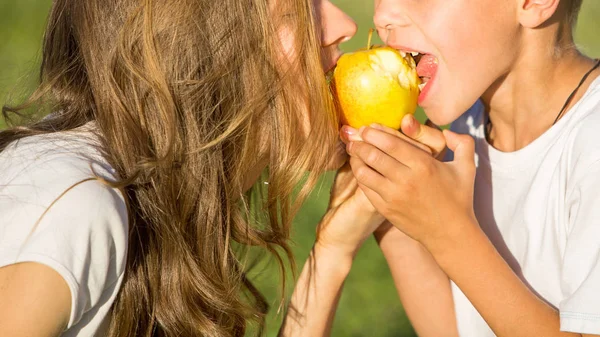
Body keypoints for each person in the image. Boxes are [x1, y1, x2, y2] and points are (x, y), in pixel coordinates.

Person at [0, 0, 386, 336]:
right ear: (204, 50)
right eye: (291, 14)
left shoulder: (170, 190)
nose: (345, 25)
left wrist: (334, 250)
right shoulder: (76, 206)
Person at [342, 0, 600, 336]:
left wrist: (449, 234)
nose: (382, 15)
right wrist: (390, 206)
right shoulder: (459, 131)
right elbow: (454, 329)